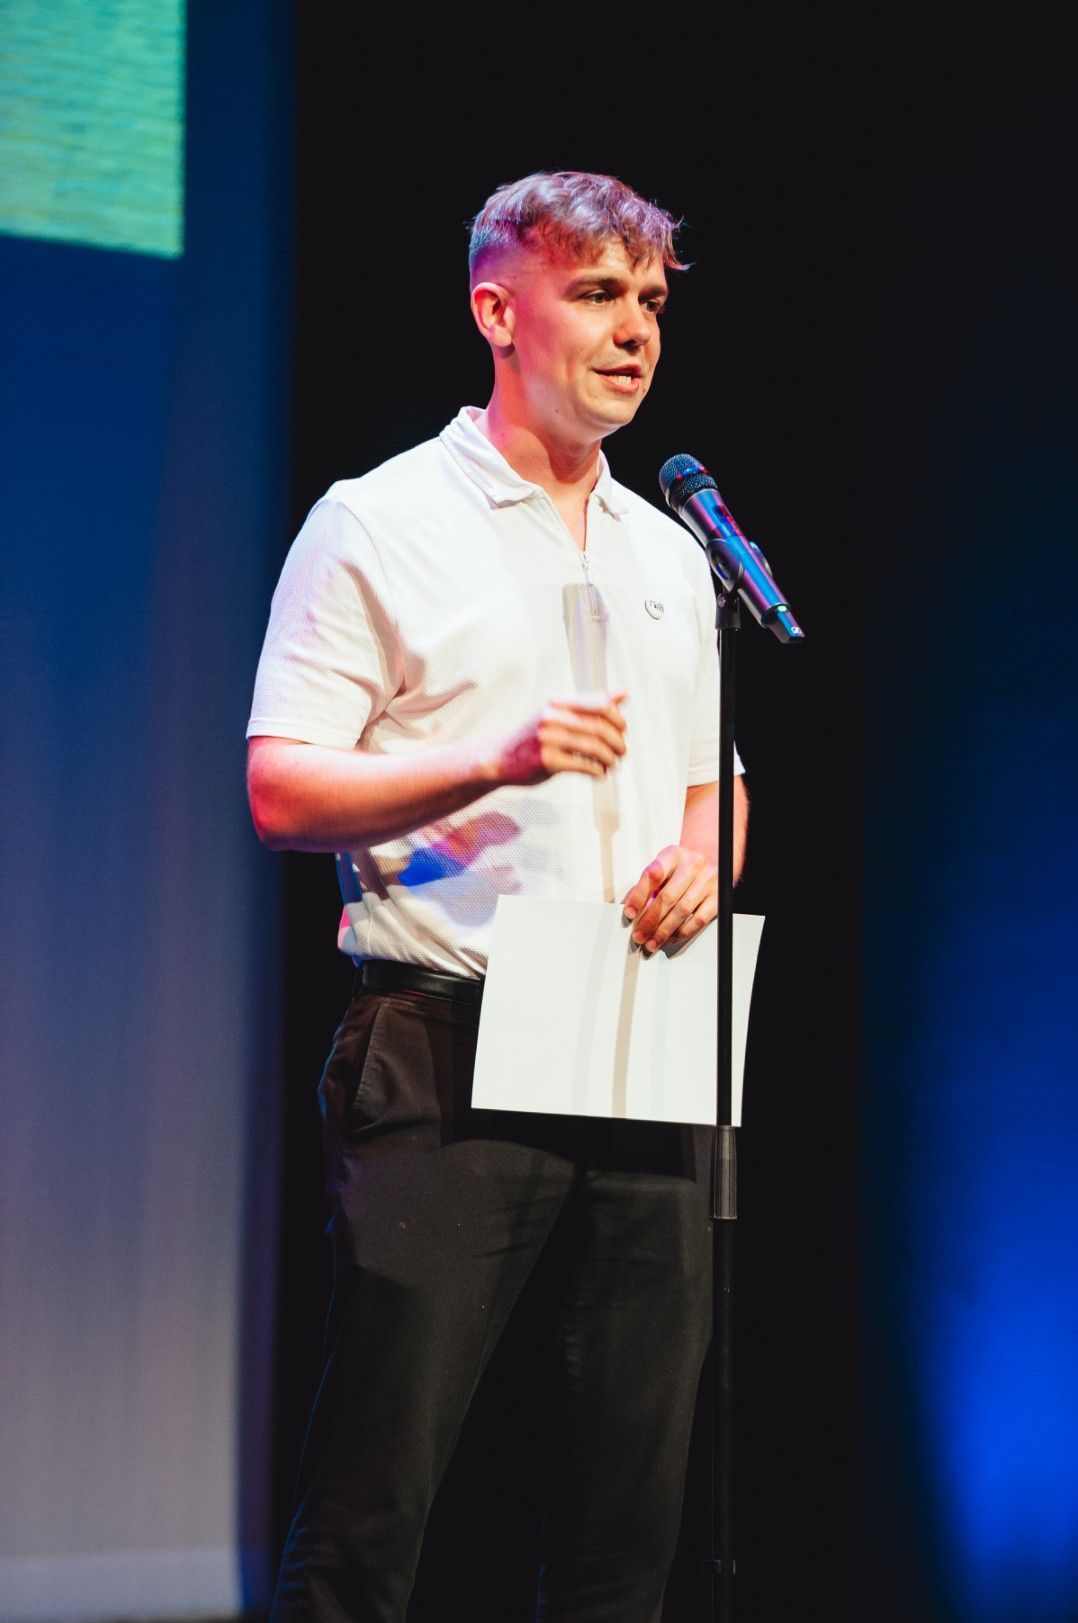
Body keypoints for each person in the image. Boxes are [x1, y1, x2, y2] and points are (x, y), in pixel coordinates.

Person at [247, 170, 749, 1623]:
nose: (636, 330)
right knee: (375, 1505)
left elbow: (714, 785)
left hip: (640, 1043)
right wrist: (492, 758)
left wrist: (708, 856)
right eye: (596, 295)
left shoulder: (671, 550)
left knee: (627, 1520)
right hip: (447, 1044)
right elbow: (281, 790)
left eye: (650, 301)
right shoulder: (382, 520)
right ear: (497, 313)